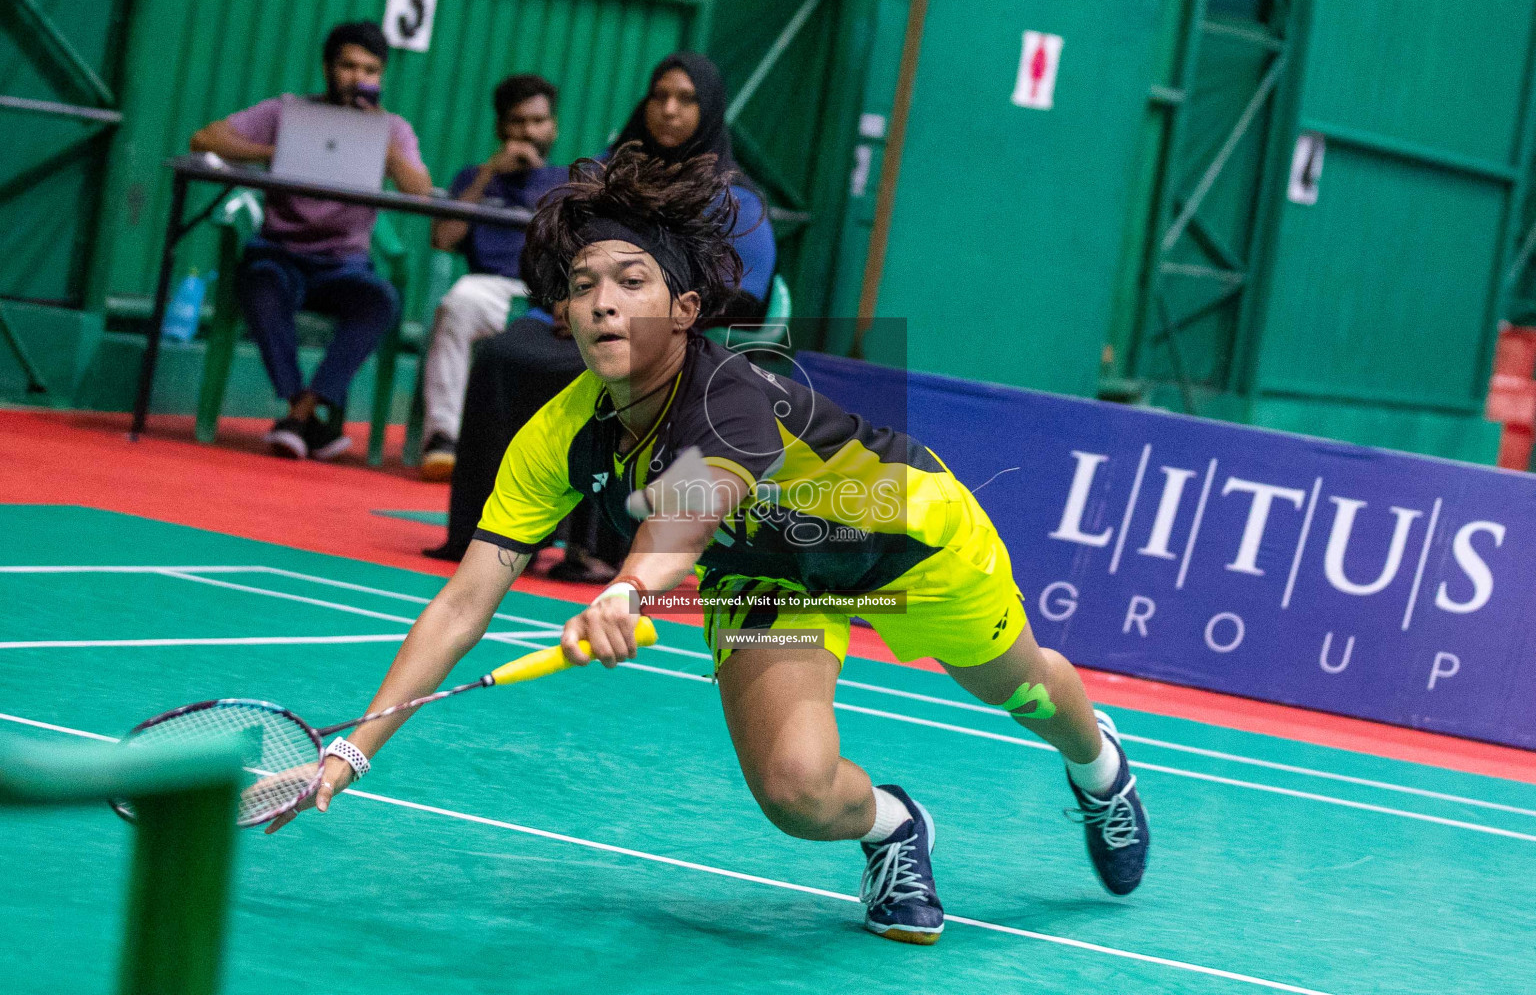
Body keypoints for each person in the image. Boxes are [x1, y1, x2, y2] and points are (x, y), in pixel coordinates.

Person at [270, 146, 1152, 946]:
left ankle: (1099, 768)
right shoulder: (556, 436)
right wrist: (354, 749)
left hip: (905, 540)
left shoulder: (732, 395)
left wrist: (627, 589)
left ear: (686, 308)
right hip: (770, 578)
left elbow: (690, 507)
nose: (603, 301)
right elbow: (464, 601)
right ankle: (894, 826)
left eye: (631, 280)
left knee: (1023, 689)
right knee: (795, 791)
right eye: (583, 284)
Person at [426, 52, 775, 568]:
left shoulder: (733, 195)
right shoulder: (610, 172)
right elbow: (552, 249)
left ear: (711, 109)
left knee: (620, 375)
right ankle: (497, 535)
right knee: (503, 355)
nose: (669, 110)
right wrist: (566, 298)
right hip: (577, 325)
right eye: (659, 96)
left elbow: (747, 295)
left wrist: (657, 318)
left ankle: (598, 548)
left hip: (672, 336)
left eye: (686, 99)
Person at [190, 21, 432, 460]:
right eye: (347, 66)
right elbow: (205, 138)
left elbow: (419, 189)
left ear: (381, 77)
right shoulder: (288, 112)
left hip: (345, 266)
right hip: (280, 255)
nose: (357, 78)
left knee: (380, 301)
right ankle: (304, 416)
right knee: (259, 284)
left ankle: (300, 415)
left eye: (370, 70)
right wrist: (280, 152)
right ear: (327, 67)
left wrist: (382, 143)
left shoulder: (393, 129)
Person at [420, 74, 568, 482]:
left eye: (538, 121)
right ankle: (443, 439)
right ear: (501, 127)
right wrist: (489, 174)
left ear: (553, 126)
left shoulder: (565, 182)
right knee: (456, 304)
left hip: (548, 293)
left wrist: (538, 184)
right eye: (519, 122)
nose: (529, 132)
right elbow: (444, 240)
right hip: (489, 288)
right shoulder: (473, 177)